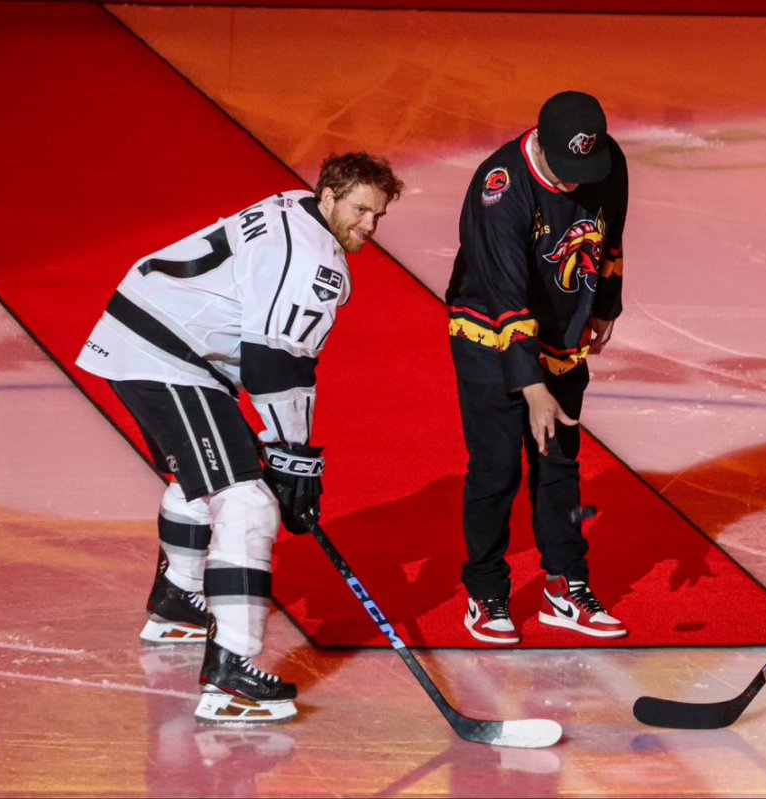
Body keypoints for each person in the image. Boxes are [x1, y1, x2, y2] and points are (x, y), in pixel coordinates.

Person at [76, 153, 403, 722]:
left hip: (148, 334)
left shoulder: (291, 206)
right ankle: (232, 676)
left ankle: (179, 600)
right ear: (327, 195)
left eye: (378, 215)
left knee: (204, 476)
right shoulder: (316, 260)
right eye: (360, 210)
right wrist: (293, 456)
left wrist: (285, 453)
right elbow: (277, 365)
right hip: (170, 357)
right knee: (247, 500)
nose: (369, 227)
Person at [445, 90, 629, 645]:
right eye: (566, 170)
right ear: (541, 144)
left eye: (585, 169)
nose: (577, 183)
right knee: (496, 468)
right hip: (489, 333)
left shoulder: (605, 161)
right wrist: (531, 386)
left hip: (562, 332)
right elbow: (504, 294)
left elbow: (611, 235)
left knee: (560, 463)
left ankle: (565, 584)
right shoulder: (499, 187)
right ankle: (486, 590)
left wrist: (604, 304)